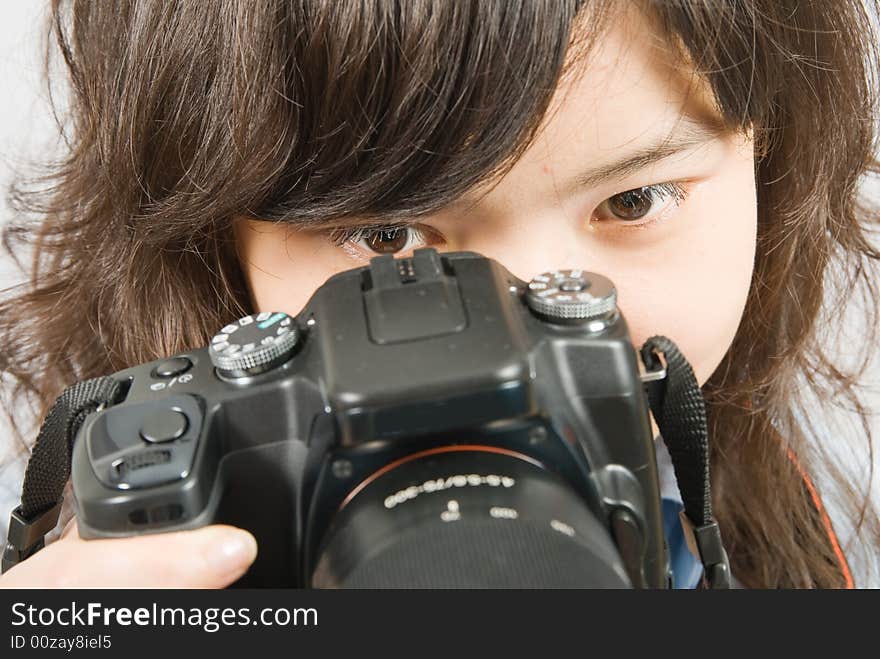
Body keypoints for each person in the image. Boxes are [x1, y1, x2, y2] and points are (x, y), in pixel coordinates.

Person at [0, 0, 878, 588]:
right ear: (213, 240)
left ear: (774, 165)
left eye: (632, 201)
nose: (520, 316)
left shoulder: (812, 520)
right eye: (389, 239)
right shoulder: (101, 565)